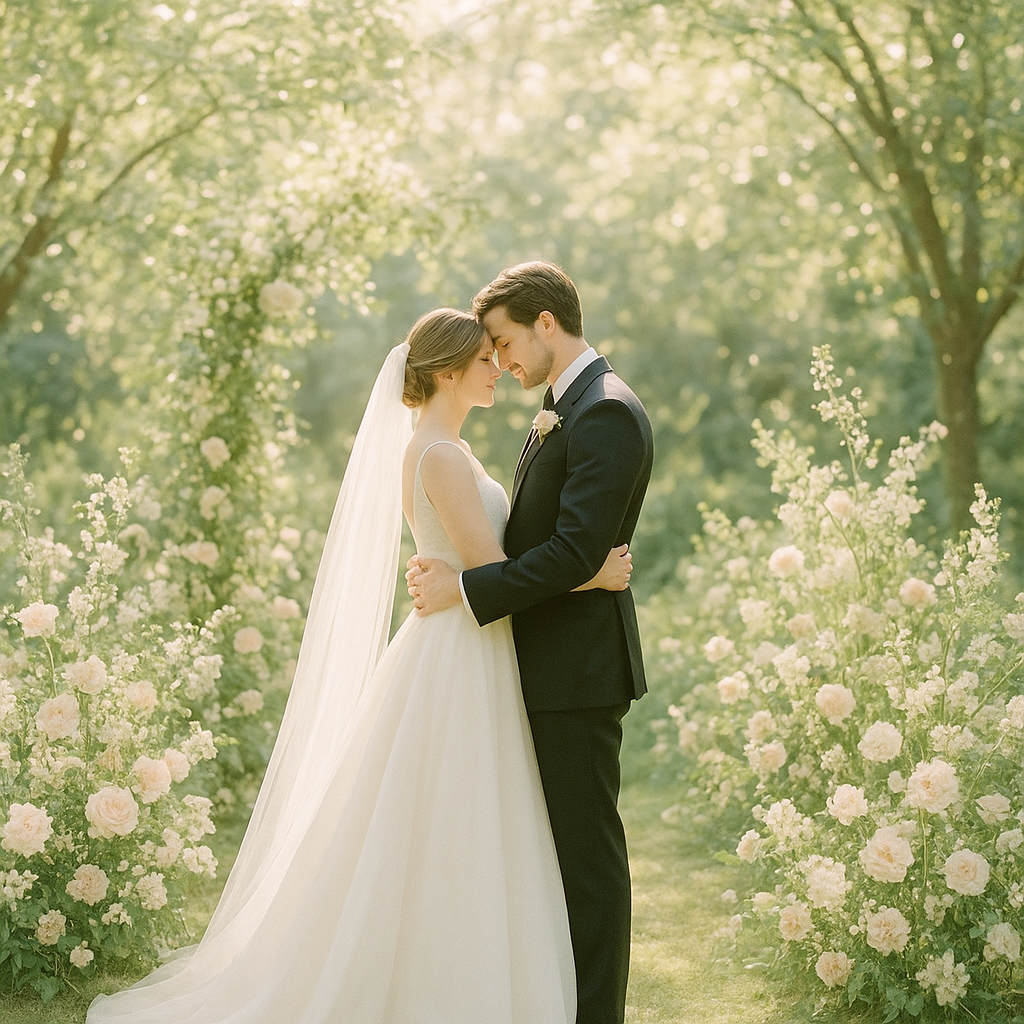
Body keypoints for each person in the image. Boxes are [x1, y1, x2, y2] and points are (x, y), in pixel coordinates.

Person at [86, 308, 632, 1024]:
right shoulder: (439, 455)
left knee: (455, 817)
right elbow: (495, 570)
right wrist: (591, 577)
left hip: (467, 641)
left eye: (497, 355)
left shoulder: (445, 449)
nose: (497, 367)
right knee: (451, 816)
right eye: (482, 360)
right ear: (444, 372)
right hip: (459, 654)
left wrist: (477, 581)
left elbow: (483, 571)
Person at [407, 263, 654, 1024]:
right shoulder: (562, 406)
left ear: (548, 322)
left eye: (506, 342)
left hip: (576, 672)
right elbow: (542, 548)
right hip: (538, 663)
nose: (502, 360)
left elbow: (576, 548)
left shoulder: (603, 410)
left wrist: (466, 589)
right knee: (548, 859)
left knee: (587, 864)